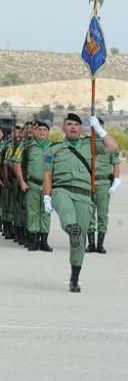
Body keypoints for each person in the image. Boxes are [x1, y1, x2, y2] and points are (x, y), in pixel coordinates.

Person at [43, 113, 120, 292]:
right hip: (62, 189)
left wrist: (99, 129)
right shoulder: (52, 149)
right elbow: (47, 174)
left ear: (81, 128)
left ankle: (74, 278)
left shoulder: (91, 145)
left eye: (76, 125)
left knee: (79, 240)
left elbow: (112, 146)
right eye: (69, 124)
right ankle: (70, 226)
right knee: (68, 215)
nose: (73, 127)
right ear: (63, 128)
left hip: (84, 194)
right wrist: (47, 196)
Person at [11, 120, 53, 252]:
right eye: (39, 130)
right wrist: (22, 182)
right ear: (34, 132)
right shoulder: (26, 146)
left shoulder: (54, 148)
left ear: (48, 133)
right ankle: (33, 241)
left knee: (46, 213)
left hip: (48, 186)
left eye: (44, 130)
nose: (41, 132)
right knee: (33, 213)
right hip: (32, 185)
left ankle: (44, 241)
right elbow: (16, 164)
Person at [87, 118, 121, 254]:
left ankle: (100, 244)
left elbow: (116, 163)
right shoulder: (86, 143)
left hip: (103, 183)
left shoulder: (109, 144)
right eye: (94, 127)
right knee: (89, 213)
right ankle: (91, 243)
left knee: (102, 214)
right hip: (88, 182)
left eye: (98, 127)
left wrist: (116, 180)